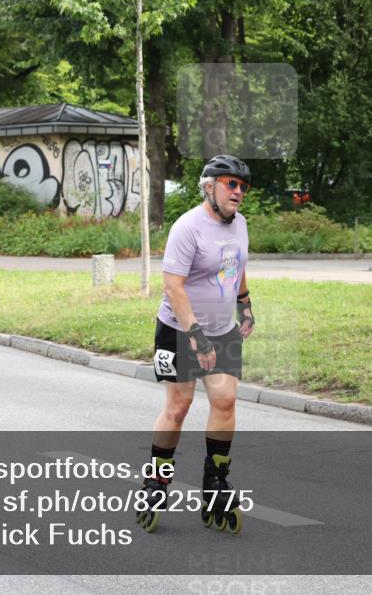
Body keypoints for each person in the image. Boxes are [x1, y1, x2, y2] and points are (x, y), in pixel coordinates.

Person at [134, 155, 255, 535]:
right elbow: (173, 286)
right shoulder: (187, 227)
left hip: (222, 329)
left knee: (225, 401)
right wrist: (196, 337)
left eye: (243, 186)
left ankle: (215, 482)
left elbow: (236, 266)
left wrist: (245, 304)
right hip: (178, 329)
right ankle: (156, 481)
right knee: (179, 405)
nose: (238, 191)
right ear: (209, 186)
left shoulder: (240, 225)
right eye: (231, 184)